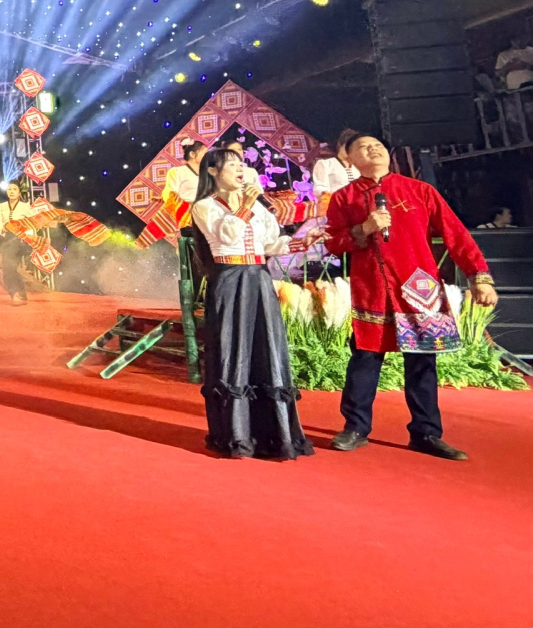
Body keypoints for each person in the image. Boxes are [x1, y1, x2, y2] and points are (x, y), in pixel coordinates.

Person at [325, 134, 498, 460]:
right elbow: (333, 243)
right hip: (373, 287)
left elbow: (455, 234)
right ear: (350, 159)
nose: (373, 149)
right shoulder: (344, 198)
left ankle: (426, 433)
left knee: (422, 362)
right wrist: (364, 228)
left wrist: (479, 277)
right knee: (365, 359)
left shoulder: (420, 191)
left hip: (419, 288)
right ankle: (355, 428)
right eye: (363, 147)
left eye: (377, 145)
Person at [189, 148, 322, 459]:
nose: (240, 169)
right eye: (232, 164)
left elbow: (269, 243)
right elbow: (227, 235)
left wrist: (302, 242)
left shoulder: (257, 206)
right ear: (212, 171)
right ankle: (237, 435)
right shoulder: (204, 206)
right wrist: (245, 205)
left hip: (259, 279)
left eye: (242, 164)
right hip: (230, 279)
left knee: (267, 347)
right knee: (233, 348)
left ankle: (275, 435)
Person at [0, 181, 37, 304]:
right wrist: (4, 228)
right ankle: (20, 294)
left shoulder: (25, 206)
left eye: (14, 189)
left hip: (20, 239)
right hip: (8, 238)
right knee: (9, 268)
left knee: (10, 267)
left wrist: (26, 235)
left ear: (19, 193)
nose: (11, 192)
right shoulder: (1, 206)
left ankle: (16, 294)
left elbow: (32, 223)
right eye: (9, 189)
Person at [310, 129, 361, 216]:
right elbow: (319, 188)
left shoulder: (357, 167)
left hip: (357, 208)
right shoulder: (326, 164)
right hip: (336, 208)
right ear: (342, 146)